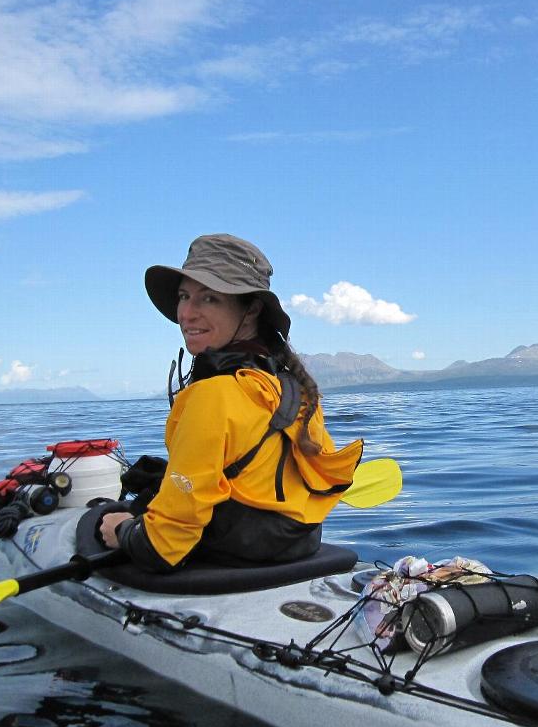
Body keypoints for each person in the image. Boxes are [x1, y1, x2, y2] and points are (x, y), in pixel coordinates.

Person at [99, 233, 363, 572]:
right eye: (184, 296)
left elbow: (162, 548)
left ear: (251, 309)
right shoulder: (292, 387)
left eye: (209, 298)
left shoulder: (212, 396)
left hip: (237, 551)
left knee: (98, 516)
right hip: (296, 543)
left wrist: (122, 529)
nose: (187, 313)